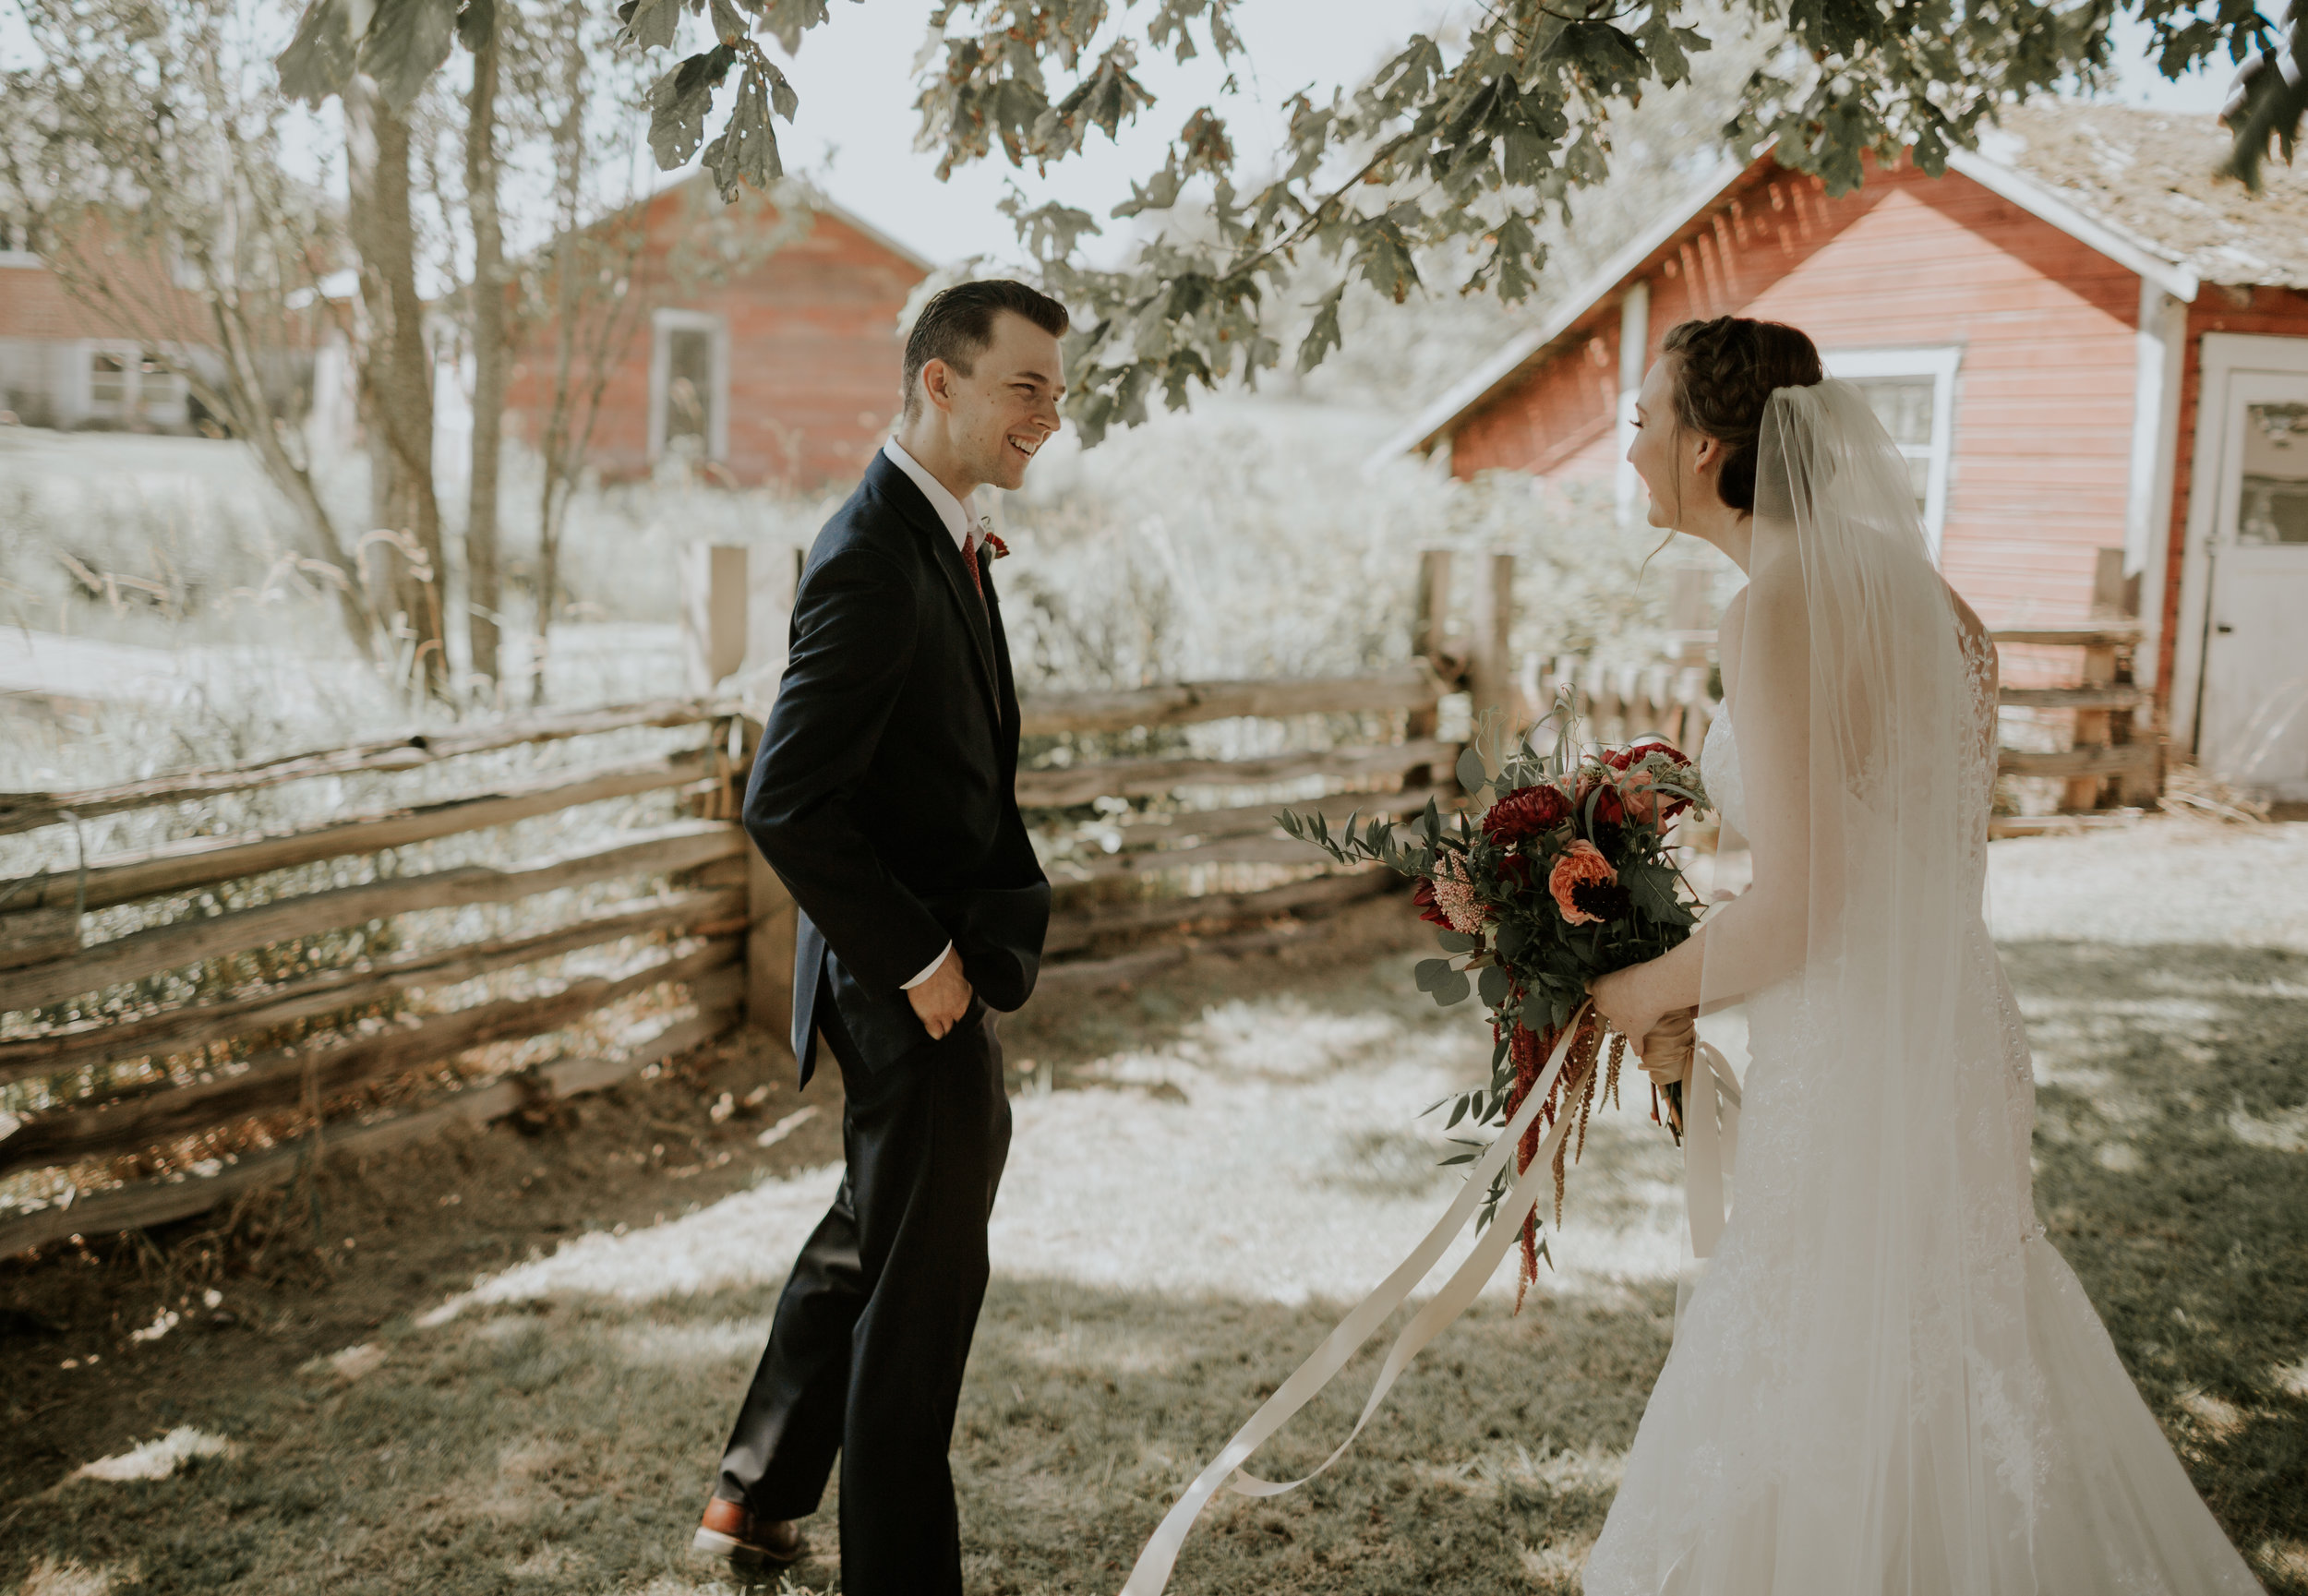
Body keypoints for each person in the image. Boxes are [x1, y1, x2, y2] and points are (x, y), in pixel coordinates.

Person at [1582, 316, 2266, 1594]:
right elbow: (1905, 871)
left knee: (1833, 1352)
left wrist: (1632, 988)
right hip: (1951, 1035)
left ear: (1708, 448)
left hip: (1856, 1064)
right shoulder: (1940, 608)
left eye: (1644, 421)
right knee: (1952, 1348)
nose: (1631, 449)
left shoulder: (1776, 607)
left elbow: (1803, 905)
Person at [691, 279, 1067, 1596]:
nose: (1048, 419)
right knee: (923, 1293)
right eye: (1027, 387)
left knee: (879, 1223)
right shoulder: (869, 550)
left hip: (925, 963)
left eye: (1060, 396)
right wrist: (919, 959)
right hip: (905, 977)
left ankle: (757, 1489)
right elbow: (785, 797)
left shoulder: (933, 530)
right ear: (940, 382)